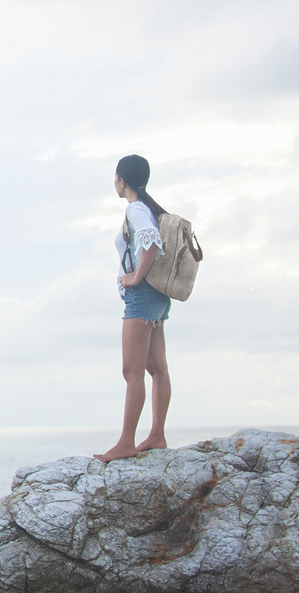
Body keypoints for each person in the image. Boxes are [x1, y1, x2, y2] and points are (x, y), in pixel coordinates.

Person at [94, 154, 172, 463]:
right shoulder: (148, 208)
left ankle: (126, 442)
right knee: (157, 368)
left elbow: (151, 242)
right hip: (157, 295)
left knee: (132, 371)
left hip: (142, 294)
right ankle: (157, 435)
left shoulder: (136, 209)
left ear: (121, 180)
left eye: (115, 178)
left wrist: (136, 276)